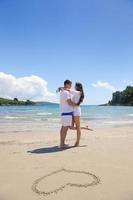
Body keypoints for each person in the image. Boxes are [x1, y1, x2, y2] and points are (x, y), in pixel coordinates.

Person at [59, 80, 77, 148]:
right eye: (70, 85)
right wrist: (76, 105)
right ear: (67, 84)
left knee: (63, 128)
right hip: (66, 113)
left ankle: (62, 143)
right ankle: (62, 144)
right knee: (64, 128)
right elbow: (69, 103)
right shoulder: (65, 92)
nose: (71, 86)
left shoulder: (63, 91)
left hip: (65, 113)